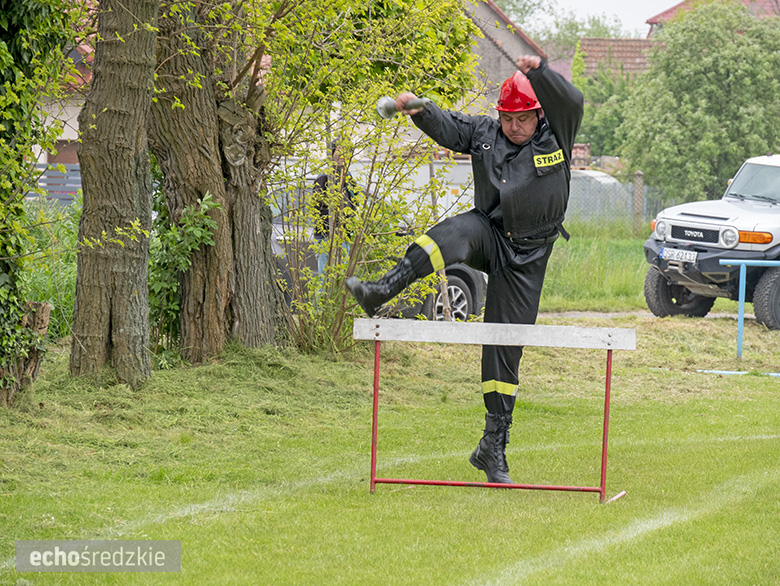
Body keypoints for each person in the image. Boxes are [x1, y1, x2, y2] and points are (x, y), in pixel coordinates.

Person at [346, 55, 584, 484]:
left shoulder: (557, 136)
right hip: (489, 235)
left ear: (538, 115)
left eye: (523, 119)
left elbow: (572, 101)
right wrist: (419, 109)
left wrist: (540, 72)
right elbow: (450, 125)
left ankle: (493, 447)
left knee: (504, 348)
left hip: (529, 259)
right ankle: (381, 290)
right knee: (453, 232)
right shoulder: (485, 133)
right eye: (508, 118)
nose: (515, 126)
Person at [312, 142, 359, 275]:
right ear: (331, 155)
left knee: (340, 280)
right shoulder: (325, 178)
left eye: (345, 152)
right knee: (325, 280)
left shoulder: (348, 178)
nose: (342, 156)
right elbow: (319, 209)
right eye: (339, 151)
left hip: (345, 237)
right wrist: (337, 229)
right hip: (329, 236)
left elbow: (354, 204)